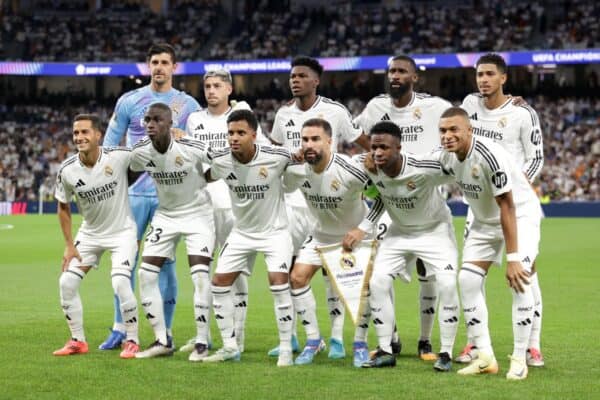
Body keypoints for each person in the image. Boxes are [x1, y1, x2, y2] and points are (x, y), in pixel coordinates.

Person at [268, 56, 370, 358]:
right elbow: (275, 154)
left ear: (316, 81)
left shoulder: (335, 111)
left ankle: (338, 336)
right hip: (295, 197)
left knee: (334, 275)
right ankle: (296, 337)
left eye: (302, 76)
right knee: (292, 271)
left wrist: (379, 159)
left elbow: (362, 141)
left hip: (332, 193)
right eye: (292, 76)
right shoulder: (283, 114)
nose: (295, 81)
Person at [101, 43, 200, 351]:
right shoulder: (130, 101)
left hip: (169, 196)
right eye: (154, 62)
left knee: (165, 266)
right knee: (125, 263)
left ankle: (165, 332)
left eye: (165, 62)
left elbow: (200, 147)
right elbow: (110, 146)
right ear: (148, 66)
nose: (159, 67)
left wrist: (186, 139)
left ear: (174, 67)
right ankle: (121, 328)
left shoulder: (187, 105)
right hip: (133, 195)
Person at [354, 55, 453, 360]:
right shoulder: (375, 107)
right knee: (378, 271)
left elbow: (463, 121)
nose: (394, 76)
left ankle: (425, 340)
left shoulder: (435, 106)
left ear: (414, 77)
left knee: (428, 272)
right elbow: (356, 132)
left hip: (426, 191)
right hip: (391, 195)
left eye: (401, 71)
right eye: (391, 71)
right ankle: (391, 338)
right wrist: (375, 155)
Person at [436, 107, 542, 380]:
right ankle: (485, 357)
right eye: (443, 130)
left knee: (520, 279)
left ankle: (519, 357)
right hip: (484, 222)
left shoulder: (488, 155)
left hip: (520, 215)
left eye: (454, 129)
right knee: (468, 280)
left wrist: (513, 258)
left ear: (469, 130)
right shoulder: (446, 156)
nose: (447, 135)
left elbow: (507, 204)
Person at [459, 53, 545, 367]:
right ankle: (475, 342)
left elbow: (536, 158)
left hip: (514, 204)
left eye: (490, 74)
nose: (483, 80)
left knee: (525, 272)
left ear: (503, 78)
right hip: (478, 208)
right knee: (471, 276)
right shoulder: (469, 106)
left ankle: (532, 345)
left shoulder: (523, 113)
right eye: (479, 74)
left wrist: (513, 186)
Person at [179, 68, 270, 354]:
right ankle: (202, 336)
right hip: (201, 207)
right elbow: (192, 161)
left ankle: (237, 338)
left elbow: (262, 151)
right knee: (201, 274)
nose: (211, 91)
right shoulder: (195, 120)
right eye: (207, 86)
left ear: (229, 89)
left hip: (235, 208)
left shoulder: (242, 114)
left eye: (217, 85)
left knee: (236, 274)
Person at [357, 121, 459, 371]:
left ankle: (446, 353)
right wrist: (364, 226)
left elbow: (458, 168)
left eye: (384, 147)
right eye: (374, 147)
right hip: (400, 231)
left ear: (399, 148)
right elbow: (382, 197)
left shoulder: (422, 167)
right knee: (377, 282)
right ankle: (385, 350)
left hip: (434, 231)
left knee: (447, 284)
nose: (377, 153)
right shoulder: (371, 167)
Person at [283, 118, 380, 367]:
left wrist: (362, 229)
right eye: (305, 139)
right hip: (321, 235)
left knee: (364, 291)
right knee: (297, 278)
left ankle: (360, 344)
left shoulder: (349, 169)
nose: (309, 144)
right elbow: (280, 182)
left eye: (315, 139)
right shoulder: (298, 169)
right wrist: (289, 162)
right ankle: (313, 340)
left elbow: (383, 196)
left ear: (329, 141)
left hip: (354, 237)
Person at [202, 110, 295, 367]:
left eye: (241, 133)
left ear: (254, 135)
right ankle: (230, 346)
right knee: (219, 284)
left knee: (278, 284)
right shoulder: (221, 160)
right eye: (230, 133)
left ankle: (286, 348)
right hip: (241, 233)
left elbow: (300, 161)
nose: (234, 138)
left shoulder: (276, 157)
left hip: (274, 232)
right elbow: (207, 174)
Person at [129, 103, 215, 360]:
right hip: (166, 215)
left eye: (157, 120)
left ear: (170, 124)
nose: (151, 124)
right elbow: (129, 171)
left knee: (200, 276)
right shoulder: (141, 151)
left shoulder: (190, 145)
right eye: (147, 120)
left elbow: (223, 162)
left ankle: (202, 342)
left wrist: (206, 179)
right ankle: (162, 340)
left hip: (198, 214)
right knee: (145, 274)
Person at [53, 114, 139, 359]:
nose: (79, 137)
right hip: (90, 234)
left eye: (84, 132)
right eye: (76, 133)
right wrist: (69, 245)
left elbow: (148, 155)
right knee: (66, 283)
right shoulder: (67, 170)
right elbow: (63, 207)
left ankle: (132, 340)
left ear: (98, 135)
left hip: (122, 232)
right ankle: (78, 341)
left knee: (120, 282)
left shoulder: (118, 156)